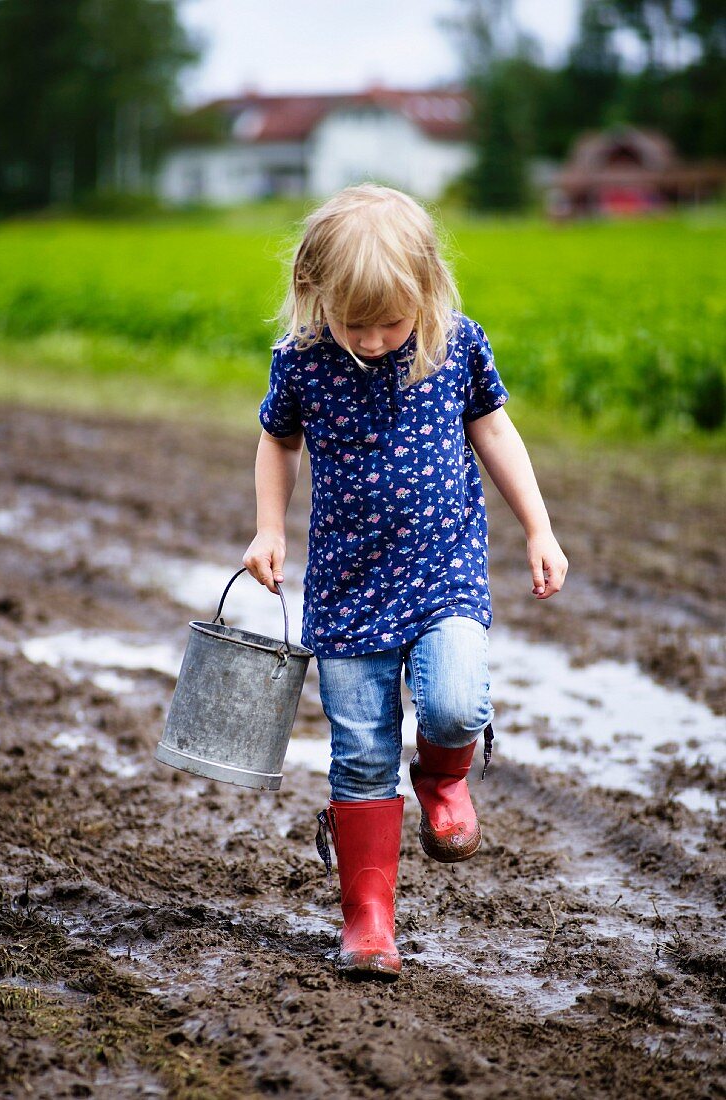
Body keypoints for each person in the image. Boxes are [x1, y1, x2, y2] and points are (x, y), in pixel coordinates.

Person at [243, 183, 568, 980]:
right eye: (356, 324)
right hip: (348, 588)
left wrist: (539, 526)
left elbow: (492, 429)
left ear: (426, 293)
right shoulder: (304, 361)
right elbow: (276, 443)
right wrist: (267, 527)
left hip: (442, 571)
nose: (378, 340)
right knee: (358, 756)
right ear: (315, 297)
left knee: (455, 701)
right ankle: (367, 921)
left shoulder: (454, 344)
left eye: (392, 321)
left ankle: (444, 775)